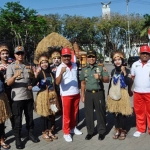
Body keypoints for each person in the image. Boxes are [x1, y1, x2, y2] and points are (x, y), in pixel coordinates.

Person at [6, 46, 39, 149]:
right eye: (18, 53)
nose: (20, 55)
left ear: (24, 54)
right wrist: (15, 76)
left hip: (28, 96)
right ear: (15, 55)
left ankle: (30, 134)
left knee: (30, 118)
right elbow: (8, 83)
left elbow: (33, 78)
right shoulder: (10, 67)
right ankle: (18, 139)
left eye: (22, 53)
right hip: (17, 98)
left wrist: (32, 85)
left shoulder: (28, 66)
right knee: (18, 120)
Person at [80, 50, 109, 141]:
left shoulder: (101, 67)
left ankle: (101, 132)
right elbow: (83, 83)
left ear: (96, 58)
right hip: (88, 93)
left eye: (93, 57)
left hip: (99, 93)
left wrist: (100, 77)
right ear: (87, 58)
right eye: (89, 57)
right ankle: (90, 132)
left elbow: (107, 79)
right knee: (89, 114)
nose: (91, 58)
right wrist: (82, 95)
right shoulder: (84, 69)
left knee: (100, 113)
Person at [56, 47, 82, 142]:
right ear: (62, 57)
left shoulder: (75, 65)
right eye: (64, 56)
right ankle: (66, 132)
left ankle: (73, 128)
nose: (66, 58)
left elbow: (77, 77)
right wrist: (62, 73)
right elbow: (57, 82)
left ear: (70, 56)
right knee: (66, 114)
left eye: (68, 56)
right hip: (66, 94)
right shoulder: (60, 68)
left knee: (74, 113)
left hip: (76, 93)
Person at [32, 53, 59, 142]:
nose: (44, 64)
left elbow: (55, 84)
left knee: (52, 113)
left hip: (52, 96)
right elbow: (33, 84)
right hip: (43, 96)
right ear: (40, 64)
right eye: (42, 63)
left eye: (46, 62)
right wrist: (35, 76)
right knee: (44, 115)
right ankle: (44, 132)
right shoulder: (39, 74)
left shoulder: (51, 72)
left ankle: (50, 131)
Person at [107, 51, 133, 140]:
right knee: (115, 114)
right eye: (115, 60)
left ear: (122, 60)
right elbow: (110, 84)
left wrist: (124, 72)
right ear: (113, 62)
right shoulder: (113, 71)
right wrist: (108, 95)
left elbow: (128, 82)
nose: (117, 61)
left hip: (122, 94)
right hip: (113, 94)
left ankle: (123, 130)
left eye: (119, 59)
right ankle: (117, 130)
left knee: (123, 114)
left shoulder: (127, 70)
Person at [131, 45, 150, 137]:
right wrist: (129, 89)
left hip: (149, 92)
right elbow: (132, 77)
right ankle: (140, 129)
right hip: (137, 92)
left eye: (147, 53)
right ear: (140, 54)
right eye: (143, 53)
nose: (145, 55)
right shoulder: (135, 64)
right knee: (139, 111)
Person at [0, 66, 12, 149]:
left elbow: (5, 85)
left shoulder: (0, 74)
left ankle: (1, 140)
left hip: (1, 99)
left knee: (1, 122)